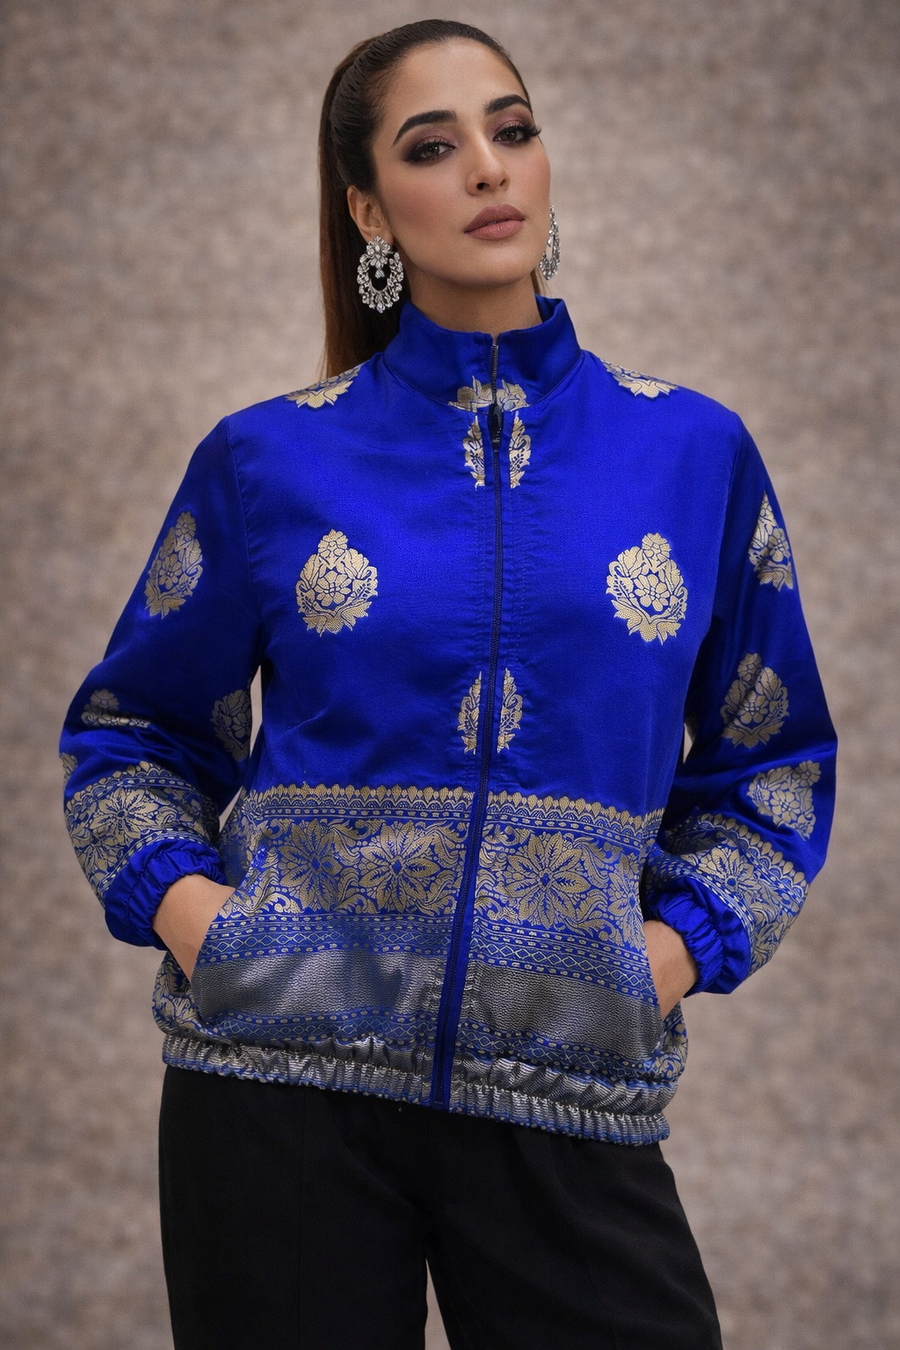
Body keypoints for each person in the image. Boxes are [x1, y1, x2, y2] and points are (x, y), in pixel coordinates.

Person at [60, 19, 836, 1350]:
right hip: (278, 1097)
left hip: (568, 1092)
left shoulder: (693, 453)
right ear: (369, 208)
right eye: (432, 147)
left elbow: (774, 766)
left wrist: (651, 964)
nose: (487, 166)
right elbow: (130, 738)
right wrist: (216, 933)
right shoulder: (265, 461)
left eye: (512, 129)